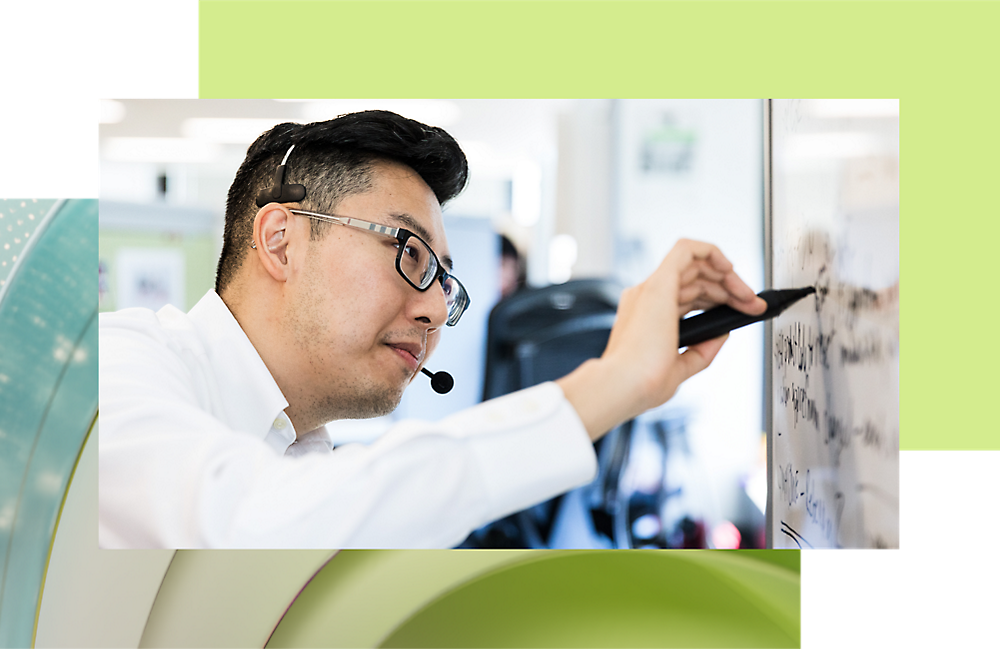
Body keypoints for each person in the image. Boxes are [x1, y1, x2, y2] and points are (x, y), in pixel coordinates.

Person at [98, 110, 765, 549]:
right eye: (408, 251)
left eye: (446, 281)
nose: (436, 310)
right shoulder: (117, 369)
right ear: (280, 241)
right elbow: (249, 524)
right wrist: (610, 384)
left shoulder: (306, 455)